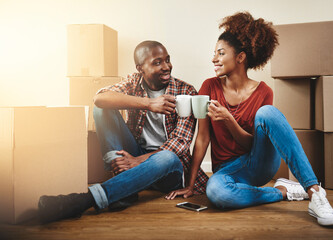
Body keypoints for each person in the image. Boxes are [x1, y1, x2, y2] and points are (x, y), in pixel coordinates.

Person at [166, 12, 333, 227]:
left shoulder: (263, 91)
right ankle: (283, 192)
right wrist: (191, 184)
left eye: (221, 53)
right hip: (227, 170)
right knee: (216, 191)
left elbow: (251, 144)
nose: (214, 59)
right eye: (214, 53)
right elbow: (202, 138)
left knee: (267, 112)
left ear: (240, 57)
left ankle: (315, 192)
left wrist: (229, 120)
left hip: (258, 162)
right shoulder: (209, 87)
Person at [38, 40, 208, 223]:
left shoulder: (186, 91)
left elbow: (181, 142)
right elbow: (99, 98)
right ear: (140, 68)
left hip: (168, 169)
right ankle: (123, 182)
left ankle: (82, 200)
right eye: (157, 62)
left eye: (167, 60)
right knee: (102, 108)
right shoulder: (133, 82)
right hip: (134, 154)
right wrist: (149, 104)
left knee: (167, 157)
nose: (167, 66)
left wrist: (137, 161)